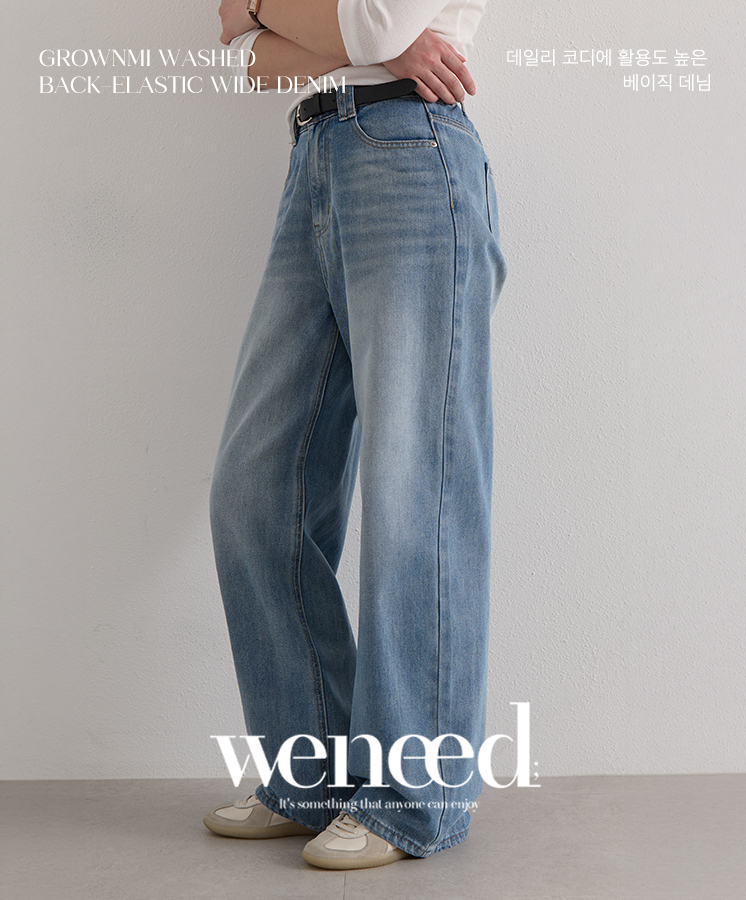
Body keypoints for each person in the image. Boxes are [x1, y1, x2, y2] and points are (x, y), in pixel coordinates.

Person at [203, 0, 508, 870]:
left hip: (413, 152)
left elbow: (372, 25)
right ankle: (311, 777)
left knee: (419, 493)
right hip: (314, 160)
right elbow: (242, 62)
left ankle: (416, 798)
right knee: (255, 494)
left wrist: (262, 7)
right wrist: (357, 41)